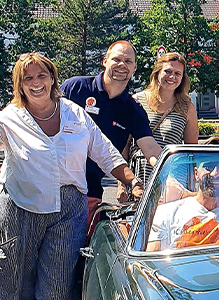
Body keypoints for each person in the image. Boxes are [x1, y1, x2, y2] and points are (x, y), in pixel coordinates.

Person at [0, 55, 143, 299]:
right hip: (19, 206)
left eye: (42, 75)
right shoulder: (10, 117)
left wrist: (133, 181)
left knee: (57, 286)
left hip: (68, 211)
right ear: (20, 85)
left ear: (53, 78)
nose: (35, 82)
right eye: (27, 78)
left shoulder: (75, 113)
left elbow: (106, 153)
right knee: (9, 282)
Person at [59, 40, 162, 231]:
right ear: (105, 61)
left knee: (78, 251)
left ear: (134, 67)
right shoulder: (75, 88)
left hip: (89, 191)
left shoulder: (133, 110)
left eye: (128, 61)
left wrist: (167, 170)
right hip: (50, 185)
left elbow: (151, 148)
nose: (122, 65)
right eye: (117, 59)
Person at [117, 52, 199, 201]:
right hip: (140, 177)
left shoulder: (187, 107)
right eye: (167, 71)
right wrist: (121, 184)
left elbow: (191, 151)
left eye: (177, 73)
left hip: (172, 177)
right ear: (158, 72)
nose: (172, 77)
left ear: (182, 78)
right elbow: (124, 146)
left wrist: (192, 186)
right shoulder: (137, 101)